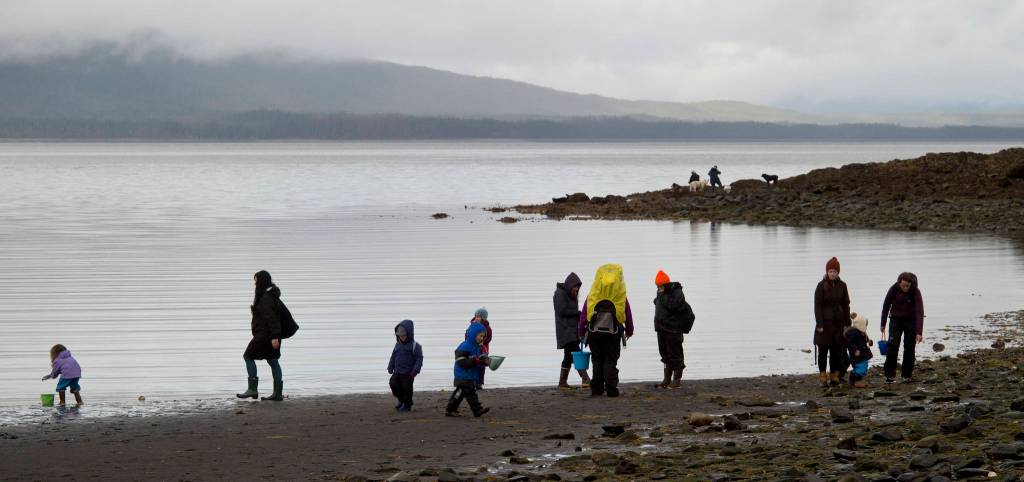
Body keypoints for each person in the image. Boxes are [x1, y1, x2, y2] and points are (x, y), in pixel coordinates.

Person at [578, 264, 634, 397]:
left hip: (594, 333)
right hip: (613, 334)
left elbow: (584, 315)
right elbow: (627, 314)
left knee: (597, 360)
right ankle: (611, 389)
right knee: (610, 360)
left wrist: (581, 332)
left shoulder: (593, 294)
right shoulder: (620, 296)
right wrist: (629, 330)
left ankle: (597, 389)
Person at [237, 270, 286, 401]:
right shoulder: (272, 295)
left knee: (248, 356)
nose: (255, 284)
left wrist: (274, 337)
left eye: (256, 281)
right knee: (272, 360)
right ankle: (277, 393)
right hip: (271, 335)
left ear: (261, 282)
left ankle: (252, 389)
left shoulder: (266, 298)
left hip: (265, 335)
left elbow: (273, 319)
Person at [880, 272, 924, 383]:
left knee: (909, 348)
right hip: (895, 320)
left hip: (911, 321)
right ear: (899, 283)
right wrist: (883, 323)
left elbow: (919, 312)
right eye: (903, 285)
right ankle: (889, 374)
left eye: (907, 286)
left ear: (910, 284)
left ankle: (906, 375)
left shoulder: (915, 291)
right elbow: (886, 305)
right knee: (893, 345)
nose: (905, 288)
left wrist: (919, 332)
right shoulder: (894, 288)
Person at [814, 257, 851, 387]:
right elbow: (817, 306)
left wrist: (848, 323)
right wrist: (819, 324)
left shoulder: (843, 286)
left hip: (838, 324)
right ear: (827, 272)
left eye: (835, 271)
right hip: (824, 325)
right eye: (830, 271)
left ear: (838, 272)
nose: (832, 274)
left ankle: (834, 375)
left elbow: (846, 305)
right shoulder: (821, 286)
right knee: (823, 351)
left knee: (836, 351)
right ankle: (823, 375)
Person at [653, 270, 690, 389]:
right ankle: (666, 379)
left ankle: (677, 380)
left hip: (673, 330)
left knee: (676, 355)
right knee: (664, 355)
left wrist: (661, 297)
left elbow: (676, 306)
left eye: (660, 285)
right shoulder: (661, 292)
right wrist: (659, 297)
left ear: (665, 284)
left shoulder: (677, 291)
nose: (658, 288)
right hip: (661, 329)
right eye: (657, 286)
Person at [554, 272, 590, 389]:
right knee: (575, 352)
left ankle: (562, 382)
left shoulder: (570, 294)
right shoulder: (559, 294)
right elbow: (561, 311)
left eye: (578, 287)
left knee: (568, 356)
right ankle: (586, 379)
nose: (577, 289)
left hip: (571, 329)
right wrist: (577, 313)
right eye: (576, 287)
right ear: (570, 285)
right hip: (565, 330)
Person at [446, 323, 491, 417]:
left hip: (469, 376)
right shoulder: (465, 345)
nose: (482, 338)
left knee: (459, 393)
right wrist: (475, 360)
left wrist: (485, 361)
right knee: (470, 393)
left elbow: (478, 361)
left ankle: (450, 409)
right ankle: (477, 410)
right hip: (463, 375)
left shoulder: (478, 347)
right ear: (474, 334)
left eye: (483, 336)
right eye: (480, 336)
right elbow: (460, 361)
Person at [388, 319, 423, 412]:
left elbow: (419, 359)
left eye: (403, 336)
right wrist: (390, 367)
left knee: (407, 389)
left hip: (408, 373)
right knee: (393, 384)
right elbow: (393, 356)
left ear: (409, 334)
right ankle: (401, 399)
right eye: (399, 336)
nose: (402, 338)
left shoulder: (415, 346)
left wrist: (415, 370)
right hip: (397, 371)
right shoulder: (397, 345)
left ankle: (407, 405)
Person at [845, 313, 874, 388]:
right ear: (861, 325)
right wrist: (855, 350)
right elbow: (850, 344)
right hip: (857, 355)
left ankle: (854, 381)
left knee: (862, 368)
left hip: (863, 354)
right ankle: (854, 381)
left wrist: (870, 341)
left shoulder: (862, 333)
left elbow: (866, 340)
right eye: (865, 325)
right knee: (860, 369)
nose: (866, 328)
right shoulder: (853, 333)